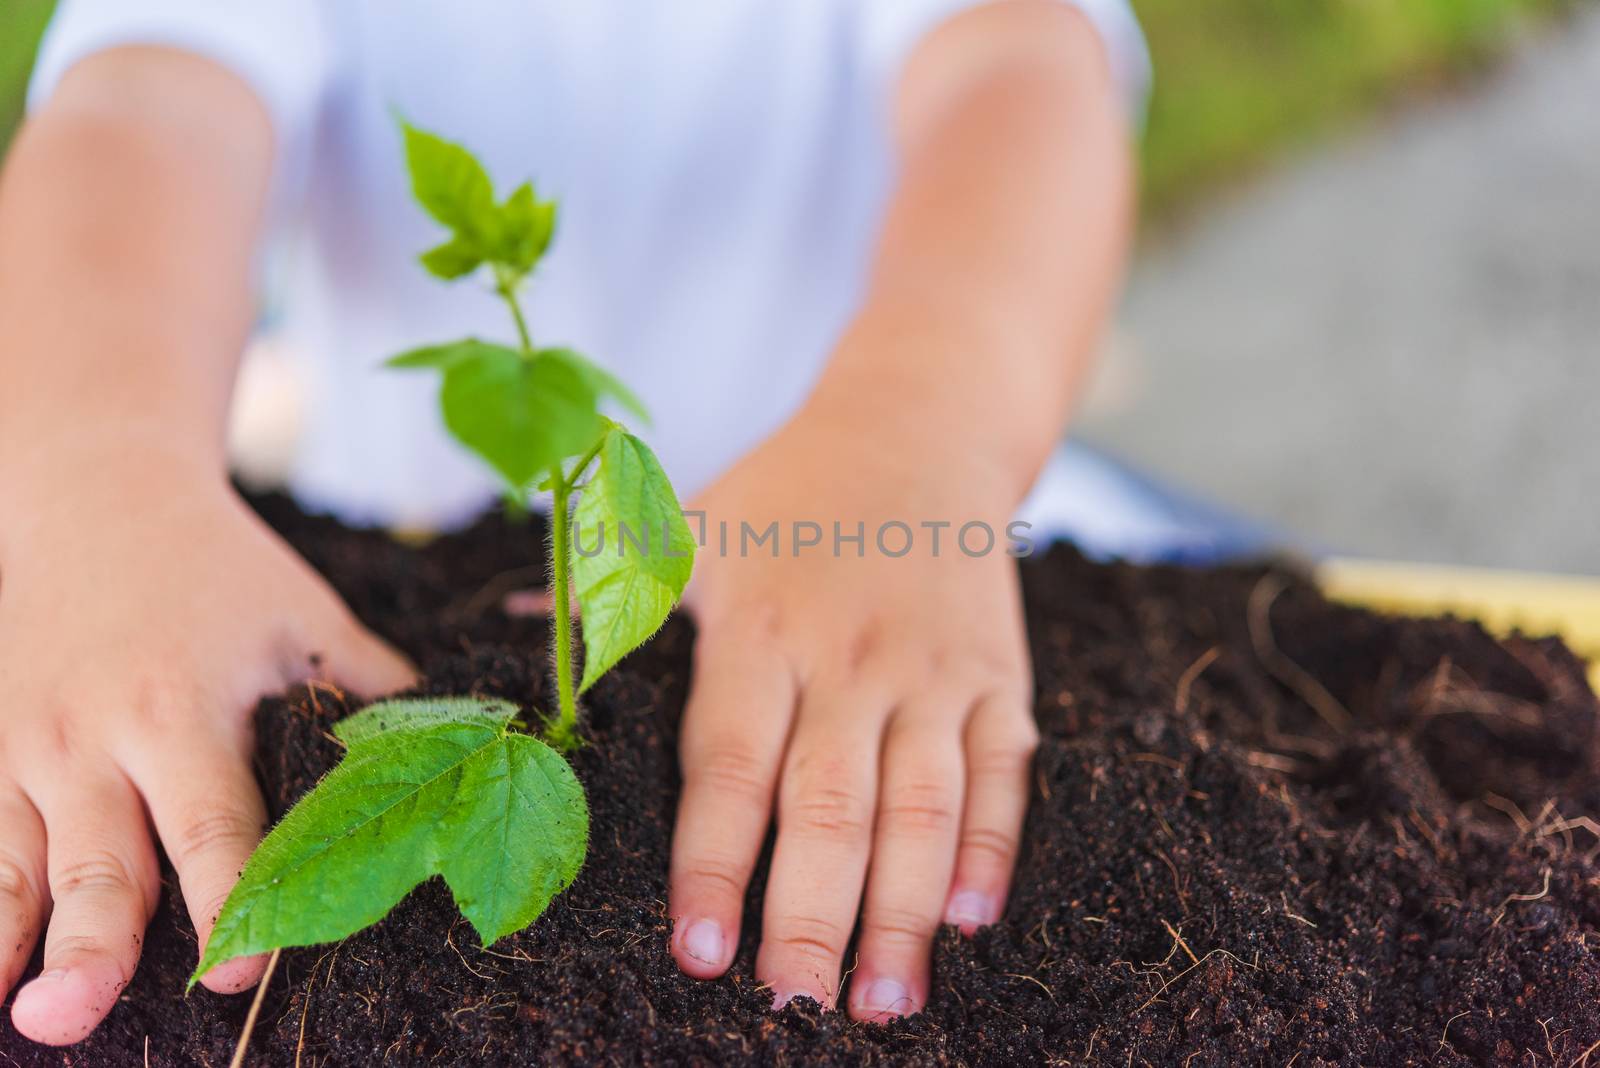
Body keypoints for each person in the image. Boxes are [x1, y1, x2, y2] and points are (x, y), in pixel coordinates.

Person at [0, 0, 1147, 1046]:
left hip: (883, 556)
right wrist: (98, 479)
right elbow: (146, 101)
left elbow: (1021, 58)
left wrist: (916, 436)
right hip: (390, 542)